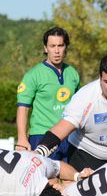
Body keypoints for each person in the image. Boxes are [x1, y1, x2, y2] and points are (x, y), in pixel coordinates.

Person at [15, 27, 79, 160]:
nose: (56, 50)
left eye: (60, 46)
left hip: (69, 136)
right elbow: (23, 109)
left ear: (66, 47)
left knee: (72, 178)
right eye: (52, 46)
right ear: (45, 48)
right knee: (47, 179)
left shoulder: (73, 73)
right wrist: (21, 138)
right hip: (41, 136)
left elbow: (80, 107)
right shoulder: (33, 75)